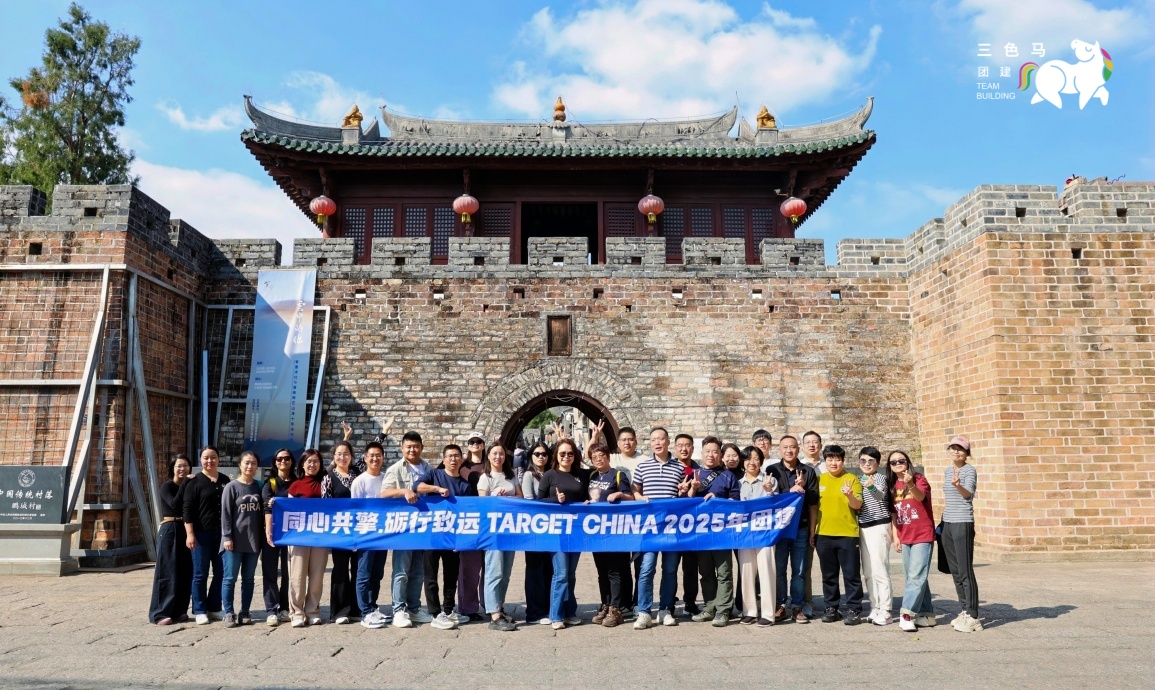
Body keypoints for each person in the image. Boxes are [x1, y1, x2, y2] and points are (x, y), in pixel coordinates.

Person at [631, 427, 686, 629]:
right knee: (646, 569)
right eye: (654, 439)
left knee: (670, 570)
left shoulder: (679, 468)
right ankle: (644, 611)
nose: (657, 443)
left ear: (668, 441)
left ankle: (665, 609)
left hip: (671, 527)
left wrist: (684, 491)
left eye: (661, 439)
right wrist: (640, 497)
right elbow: (635, 490)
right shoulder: (643, 466)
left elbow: (683, 496)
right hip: (649, 528)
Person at [416, 443, 475, 629]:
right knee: (431, 575)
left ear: (461, 459)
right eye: (450, 456)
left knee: (451, 576)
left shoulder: (465, 485)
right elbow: (417, 487)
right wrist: (437, 489)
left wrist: (462, 540)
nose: (453, 459)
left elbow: (466, 513)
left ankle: (449, 610)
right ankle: (435, 613)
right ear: (444, 459)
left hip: (452, 537)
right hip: (431, 535)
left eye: (456, 456)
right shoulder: (434, 474)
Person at [381, 431, 434, 628]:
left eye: (416, 446)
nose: (412, 450)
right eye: (408, 447)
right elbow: (384, 493)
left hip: (424, 527)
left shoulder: (428, 469)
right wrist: (404, 490)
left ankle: (414, 608)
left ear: (421, 447)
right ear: (402, 448)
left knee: (418, 571)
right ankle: (398, 609)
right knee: (401, 570)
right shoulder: (395, 469)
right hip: (403, 527)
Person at [763, 435, 818, 624]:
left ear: (798, 449)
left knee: (799, 570)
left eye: (792, 447)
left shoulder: (808, 471)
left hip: (801, 526)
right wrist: (790, 491)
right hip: (780, 529)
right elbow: (770, 499)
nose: (789, 450)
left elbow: (813, 503)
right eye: (785, 447)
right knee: (779, 569)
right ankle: (780, 604)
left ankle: (797, 606)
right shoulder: (771, 470)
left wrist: (812, 531)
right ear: (779, 450)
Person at [689, 436, 739, 627]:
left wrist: (718, 500)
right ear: (701, 453)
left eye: (715, 451)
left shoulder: (729, 476)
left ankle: (723, 610)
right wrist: (693, 490)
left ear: (720, 454)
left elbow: (736, 502)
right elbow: (686, 503)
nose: (711, 455)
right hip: (701, 534)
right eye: (707, 451)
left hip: (722, 533)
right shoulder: (694, 474)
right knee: (706, 572)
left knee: (724, 573)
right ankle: (709, 607)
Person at [813, 445, 865, 625]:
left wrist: (850, 495)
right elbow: (813, 508)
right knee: (829, 575)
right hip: (823, 534)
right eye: (830, 459)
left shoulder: (851, 479)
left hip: (847, 534)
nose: (834, 463)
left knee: (851, 575)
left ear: (843, 461)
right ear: (825, 461)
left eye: (837, 459)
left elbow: (857, 505)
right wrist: (813, 532)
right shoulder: (819, 480)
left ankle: (854, 609)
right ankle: (831, 608)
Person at [538, 438, 585, 630]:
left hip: (576, 531)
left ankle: (570, 612)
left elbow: (585, 497)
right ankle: (556, 615)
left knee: (571, 574)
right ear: (556, 455)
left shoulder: (581, 475)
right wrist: (555, 500)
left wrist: (589, 501)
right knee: (561, 574)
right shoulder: (549, 475)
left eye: (570, 453)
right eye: (562, 453)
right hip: (556, 532)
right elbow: (539, 502)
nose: (566, 456)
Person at [586, 442, 634, 628]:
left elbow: (631, 497)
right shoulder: (592, 476)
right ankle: (605, 604)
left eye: (601, 455)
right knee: (601, 571)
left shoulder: (618, 474)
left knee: (615, 571)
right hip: (596, 531)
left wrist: (620, 495)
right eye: (594, 457)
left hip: (615, 531)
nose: (598, 459)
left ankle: (616, 608)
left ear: (608, 456)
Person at [888, 450, 936, 632]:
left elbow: (921, 497)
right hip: (905, 535)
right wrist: (896, 536)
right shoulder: (893, 485)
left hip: (922, 534)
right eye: (893, 462)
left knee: (916, 576)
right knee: (914, 576)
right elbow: (894, 514)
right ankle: (926, 615)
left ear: (907, 462)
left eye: (901, 460)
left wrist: (910, 484)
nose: (898, 464)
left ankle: (906, 614)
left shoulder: (919, 479)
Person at [183, 446, 230, 625]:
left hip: (221, 535)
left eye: (213, 457)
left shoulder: (225, 480)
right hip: (200, 534)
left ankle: (214, 607)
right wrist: (190, 534)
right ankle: (200, 609)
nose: (209, 461)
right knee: (200, 573)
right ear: (200, 460)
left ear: (218, 459)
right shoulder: (194, 482)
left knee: (221, 572)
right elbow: (187, 510)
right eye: (206, 458)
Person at [220, 451, 265, 628]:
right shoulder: (231, 487)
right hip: (233, 541)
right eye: (246, 462)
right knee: (230, 578)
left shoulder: (259, 486)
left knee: (248, 579)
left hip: (253, 540)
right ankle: (228, 612)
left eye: (253, 463)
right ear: (240, 465)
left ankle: (245, 611)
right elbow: (225, 514)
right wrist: (227, 536)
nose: (249, 466)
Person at [942, 435, 981, 633]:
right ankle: (964, 610)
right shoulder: (948, 470)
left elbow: (968, 494)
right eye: (953, 448)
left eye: (960, 449)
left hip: (962, 522)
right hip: (948, 522)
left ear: (966, 453)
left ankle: (973, 616)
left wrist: (958, 485)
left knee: (965, 570)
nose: (956, 451)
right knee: (955, 570)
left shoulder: (969, 470)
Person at [478, 443, 519, 631]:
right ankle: (493, 614)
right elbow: (482, 505)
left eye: (501, 453)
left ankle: (500, 606)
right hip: (493, 531)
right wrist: (495, 496)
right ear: (488, 456)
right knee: (494, 571)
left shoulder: (511, 476)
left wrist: (508, 499)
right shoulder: (485, 478)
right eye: (494, 453)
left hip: (510, 529)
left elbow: (521, 497)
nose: (498, 457)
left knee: (506, 572)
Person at [736, 446, 777, 627]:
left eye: (755, 458)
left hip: (765, 533)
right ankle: (749, 611)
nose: (751, 462)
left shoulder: (770, 480)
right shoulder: (738, 483)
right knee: (746, 571)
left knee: (766, 570)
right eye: (748, 459)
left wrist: (769, 491)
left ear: (761, 461)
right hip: (744, 534)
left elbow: (777, 506)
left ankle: (768, 613)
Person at [149, 454, 192, 625]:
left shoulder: (189, 485)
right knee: (167, 571)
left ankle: (179, 610)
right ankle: (160, 613)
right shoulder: (167, 486)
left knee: (185, 571)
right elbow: (174, 504)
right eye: (179, 466)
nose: (182, 469)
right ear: (172, 468)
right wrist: (186, 484)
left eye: (185, 466)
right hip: (170, 528)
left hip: (186, 529)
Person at [287, 449, 328, 627]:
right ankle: (296, 612)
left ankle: (312, 611)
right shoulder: (295, 485)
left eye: (316, 461)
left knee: (317, 576)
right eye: (309, 461)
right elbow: (288, 510)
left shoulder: (326, 483)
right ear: (302, 464)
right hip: (299, 537)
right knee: (297, 575)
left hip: (321, 536)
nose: (312, 465)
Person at [321, 441, 361, 624]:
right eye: (338, 454)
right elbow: (326, 506)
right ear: (333, 457)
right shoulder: (328, 478)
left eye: (346, 454)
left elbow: (371, 455)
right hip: (340, 530)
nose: (342, 457)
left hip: (360, 529)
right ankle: (339, 611)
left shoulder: (358, 475)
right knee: (340, 569)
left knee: (359, 569)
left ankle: (357, 608)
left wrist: (383, 434)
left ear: (351, 456)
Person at [351, 441, 388, 629]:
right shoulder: (359, 481)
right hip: (365, 535)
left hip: (383, 535)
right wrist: (355, 538)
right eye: (371, 455)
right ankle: (365, 612)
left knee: (377, 574)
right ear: (365, 458)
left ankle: (373, 607)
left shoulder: (386, 479)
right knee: (364, 574)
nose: (375, 459)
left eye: (378, 455)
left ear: (383, 458)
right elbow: (354, 511)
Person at [856, 447, 893, 626]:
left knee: (880, 569)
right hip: (864, 526)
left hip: (879, 526)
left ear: (877, 463)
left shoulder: (880, 478)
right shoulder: (858, 479)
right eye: (863, 461)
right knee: (868, 571)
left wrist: (869, 485)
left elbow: (879, 496)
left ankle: (886, 610)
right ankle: (875, 606)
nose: (867, 464)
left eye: (871, 461)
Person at [610, 426, 643, 620]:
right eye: (623, 440)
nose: (627, 443)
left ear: (636, 441)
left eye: (630, 439)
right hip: (619, 521)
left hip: (639, 518)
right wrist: (594, 437)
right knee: (621, 564)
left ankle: (638, 602)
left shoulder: (644, 460)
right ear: (618, 443)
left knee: (640, 564)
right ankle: (624, 602)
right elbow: (590, 457)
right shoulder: (613, 459)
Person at [520, 441, 554, 625]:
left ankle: (548, 608)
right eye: (537, 454)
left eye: (544, 454)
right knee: (535, 570)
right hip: (535, 529)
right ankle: (534, 612)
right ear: (531, 456)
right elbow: (529, 500)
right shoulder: (529, 475)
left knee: (549, 569)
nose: (541, 457)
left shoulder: (551, 474)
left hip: (552, 529)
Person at [260, 448, 296, 626]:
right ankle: (271, 610)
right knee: (270, 572)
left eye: (286, 458)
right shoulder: (270, 483)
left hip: (292, 534)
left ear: (291, 461)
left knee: (289, 572)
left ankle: (285, 607)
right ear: (275, 462)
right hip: (272, 533)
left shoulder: (297, 482)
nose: (283, 461)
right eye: (279, 459)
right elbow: (267, 508)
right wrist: (268, 532)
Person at [456, 430, 488, 622]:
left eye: (478, 441)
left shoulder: (490, 464)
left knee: (490, 566)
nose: (475, 444)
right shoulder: (462, 465)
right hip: (469, 520)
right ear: (467, 445)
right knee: (469, 568)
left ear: (483, 444)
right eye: (472, 442)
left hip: (489, 519)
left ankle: (490, 604)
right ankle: (468, 607)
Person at [672, 433, 702, 617]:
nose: (684, 449)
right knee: (670, 566)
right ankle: (669, 600)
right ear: (675, 448)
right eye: (680, 445)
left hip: (692, 527)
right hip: (672, 526)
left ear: (692, 448)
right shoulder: (669, 468)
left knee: (691, 567)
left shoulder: (699, 470)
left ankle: (690, 601)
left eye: (687, 445)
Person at [799, 430, 825, 617]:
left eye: (815, 442)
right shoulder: (800, 468)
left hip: (827, 521)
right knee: (805, 566)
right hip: (806, 520)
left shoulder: (829, 465)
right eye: (808, 442)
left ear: (821, 445)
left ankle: (832, 602)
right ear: (802, 446)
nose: (812, 445)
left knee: (829, 566)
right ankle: (806, 601)